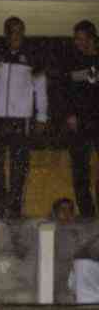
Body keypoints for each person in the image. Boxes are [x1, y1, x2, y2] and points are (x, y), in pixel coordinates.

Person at [0, 16, 49, 219]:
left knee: (18, 167)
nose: (16, 35)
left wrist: (42, 116)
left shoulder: (33, 56)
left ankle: (14, 210)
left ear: (24, 32)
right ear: (6, 33)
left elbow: (40, 88)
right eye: (12, 31)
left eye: (20, 31)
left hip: (20, 119)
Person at [64, 19, 99, 218]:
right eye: (76, 39)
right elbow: (64, 92)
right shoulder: (72, 62)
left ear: (92, 38)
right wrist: (69, 114)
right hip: (79, 124)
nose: (79, 43)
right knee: (80, 172)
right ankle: (87, 213)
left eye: (83, 38)